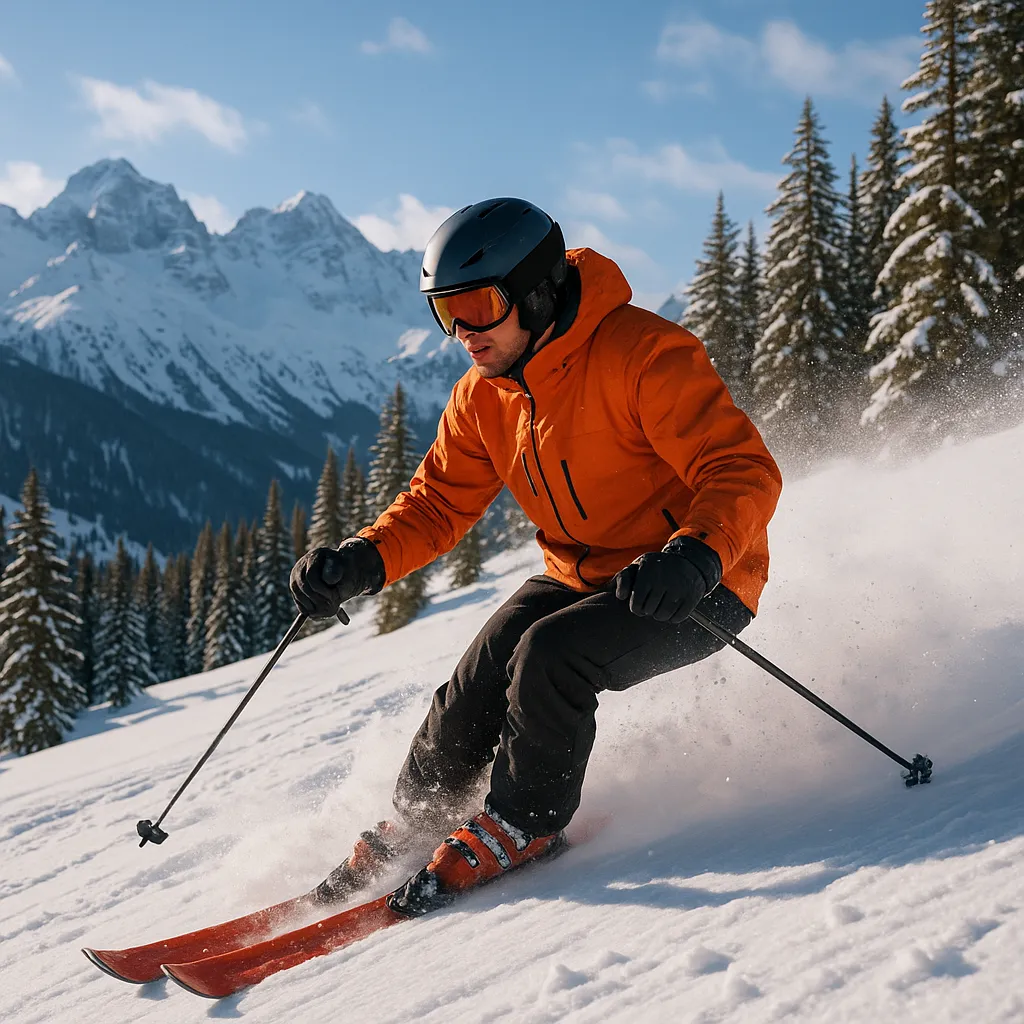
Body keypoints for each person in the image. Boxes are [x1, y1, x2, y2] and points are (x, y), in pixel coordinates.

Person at [290, 198, 783, 916]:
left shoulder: (644, 355)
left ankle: (525, 821)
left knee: (553, 652)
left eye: (478, 306)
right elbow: (437, 505)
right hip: (585, 573)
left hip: (695, 582)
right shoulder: (484, 396)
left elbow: (742, 468)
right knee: (487, 664)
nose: (462, 332)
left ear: (538, 292)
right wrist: (362, 561)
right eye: (444, 312)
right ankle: (423, 817)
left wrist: (698, 555)